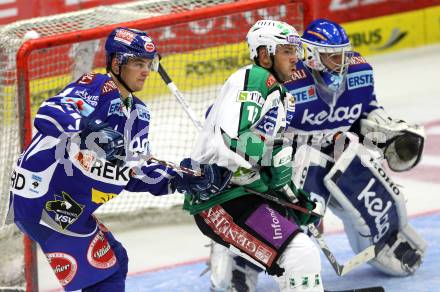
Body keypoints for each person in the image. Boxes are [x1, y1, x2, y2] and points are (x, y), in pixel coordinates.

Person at [209, 18, 428, 291]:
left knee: (364, 177)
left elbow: (364, 114)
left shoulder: (359, 73)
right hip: (289, 160)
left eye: (344, 54)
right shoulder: (284, 79)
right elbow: (236, 119)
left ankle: (386, 239)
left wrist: (382, 130)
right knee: (286, 217)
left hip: (336, 150)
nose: (343, 62)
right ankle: (239, 262)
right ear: (311, 56)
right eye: (334, 56)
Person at [6, 27, 229, 291]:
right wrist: (89, 127)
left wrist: (182, 178)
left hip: (68, 206)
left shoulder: (139, 114)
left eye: (148, 64)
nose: (146, 71)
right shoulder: (96, 87)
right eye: (137, 63)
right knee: (105, 279)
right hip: (44, 200)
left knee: (116, 260)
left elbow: (135, 172)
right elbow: (49, 112)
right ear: (115, 63)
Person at [180, 20, 324, 292]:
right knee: (299, 253)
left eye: (296, 51)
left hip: (244, 195)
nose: (296, 58)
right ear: (264, 54)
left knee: (297, 257)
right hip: (220, 200)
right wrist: (267, 164)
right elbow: (232, 140)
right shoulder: (256, 78)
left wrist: (294, 199)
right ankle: (225, 264)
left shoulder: (282, 97)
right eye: (286, 51)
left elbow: (263, 155)